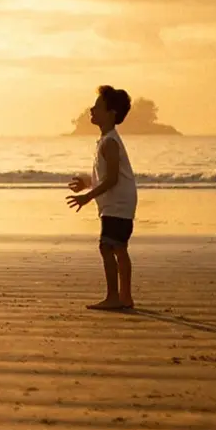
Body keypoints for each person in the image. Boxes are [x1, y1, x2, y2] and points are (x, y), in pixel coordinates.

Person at [66, 85, 138, 310]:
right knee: (118, 248)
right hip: (119, 203)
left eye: (97, 106)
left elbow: (113, 178)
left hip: (117, 204)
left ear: (111, 114)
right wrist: (87, 183)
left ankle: (114, 297)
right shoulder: (106, 140)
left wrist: (88, 197)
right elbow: (105, 176)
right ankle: (124, 297)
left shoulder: (110, 142)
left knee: (108, 247)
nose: (92, 109)